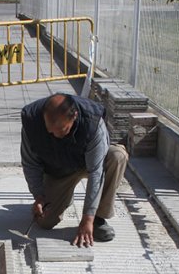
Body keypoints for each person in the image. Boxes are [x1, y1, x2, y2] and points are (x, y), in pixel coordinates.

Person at [20, 93, 128, 247]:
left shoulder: (92, 122)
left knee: (117, 156)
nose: (56, 135)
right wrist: (38, 195)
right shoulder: (32, 122)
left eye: (62, 129)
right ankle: (65, 198)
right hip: (58, 170)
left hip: (87, 163)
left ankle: (98, 218)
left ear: (74, 116)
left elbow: (96, 173)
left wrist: (88, 218)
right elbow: (30, 163)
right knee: (45, 222)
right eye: (51, 131)